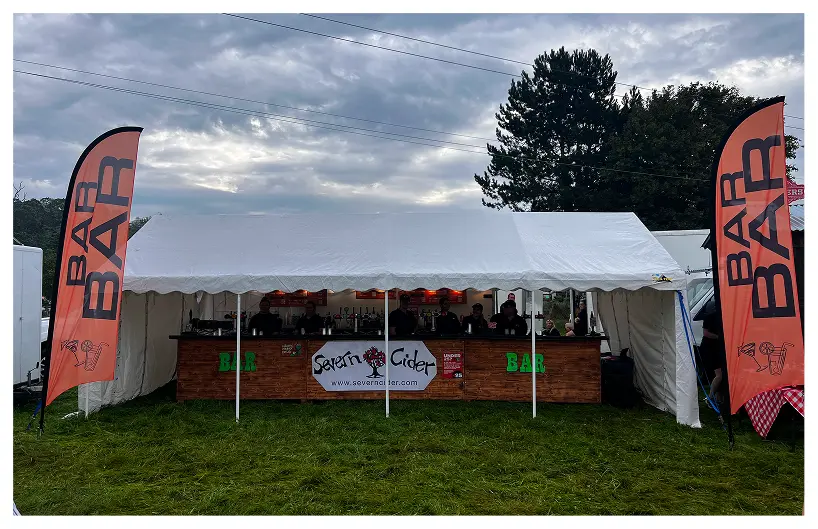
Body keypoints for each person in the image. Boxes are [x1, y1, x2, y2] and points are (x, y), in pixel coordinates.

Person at [701, 309, 727, 406]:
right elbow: (706, 333)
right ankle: (710, 398)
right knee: (719, 375)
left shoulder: (725, 316)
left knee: (722, 375)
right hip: (710, 350)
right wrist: (720, 337)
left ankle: (718, 398)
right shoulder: (710, 316)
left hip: (720, 349)